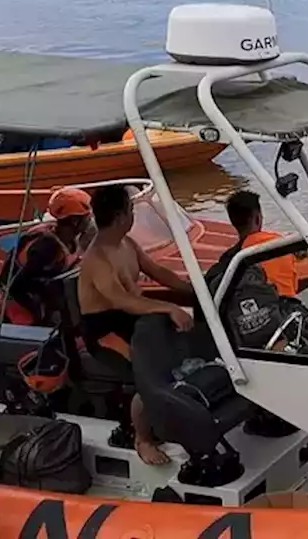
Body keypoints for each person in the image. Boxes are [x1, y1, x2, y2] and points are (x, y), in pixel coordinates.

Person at [77, 184, 195, 466]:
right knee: (150, 373)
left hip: (134, 321)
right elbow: (123, 301)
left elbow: (158, 272)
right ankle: (142, 439)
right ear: (120, 217)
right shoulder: (98, 259)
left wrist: (195, 290)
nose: (133, 215)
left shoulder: (127, 244)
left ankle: (172, 418)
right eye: (131, 210)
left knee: (183, 356)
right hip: (105, 332)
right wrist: (170, 308)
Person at [0, 186, 94, 326]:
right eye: (87, 217)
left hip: (44, 303)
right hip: (23, 309)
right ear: (75, 221)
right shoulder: (46, 248)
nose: (90, 221)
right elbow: (18, 284)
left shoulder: (67, 239)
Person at [223, 190, 301, 299]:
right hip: (289, 306)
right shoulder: (282, 243)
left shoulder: (231, 260)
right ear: (258, 218)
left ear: (233, 222)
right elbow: (294, 283)